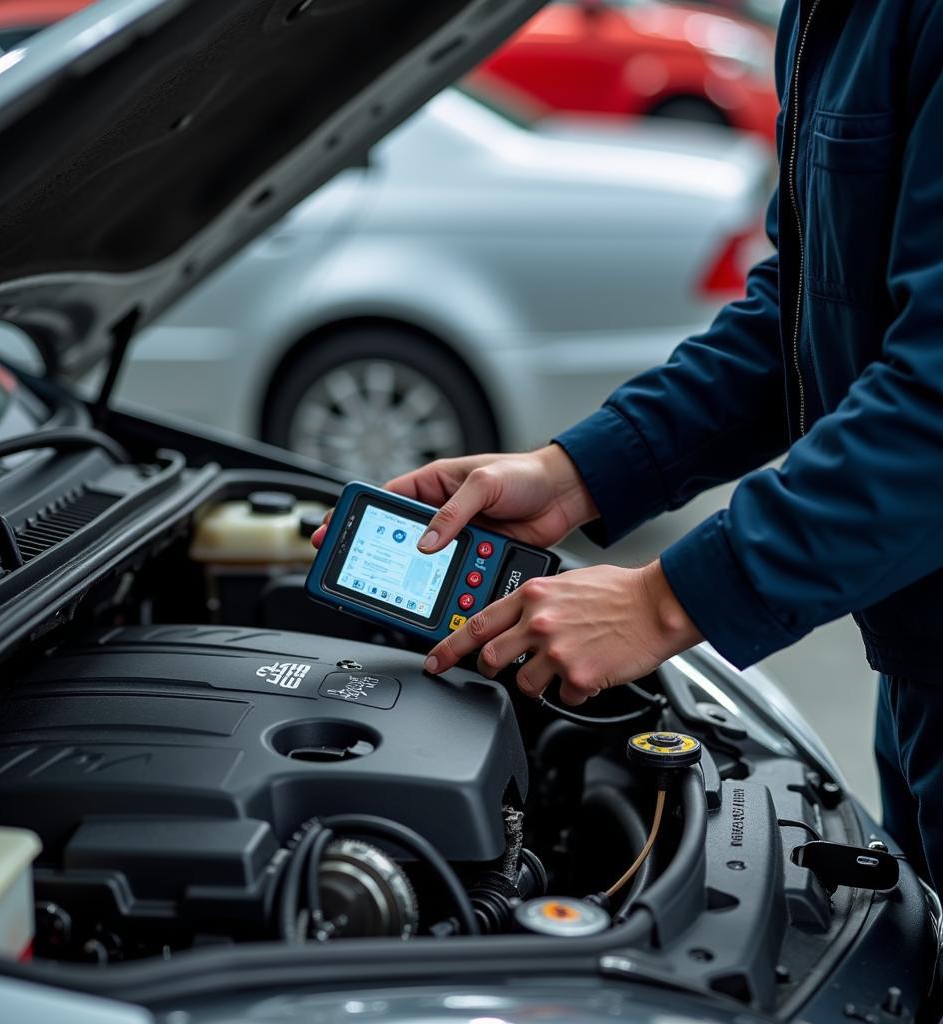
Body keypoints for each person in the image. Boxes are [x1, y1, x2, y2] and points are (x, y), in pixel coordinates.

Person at [314, 0, 943, 892]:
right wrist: (574, 475)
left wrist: (664, 602)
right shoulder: (834, 16)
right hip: (918, 657)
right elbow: (802, 310)